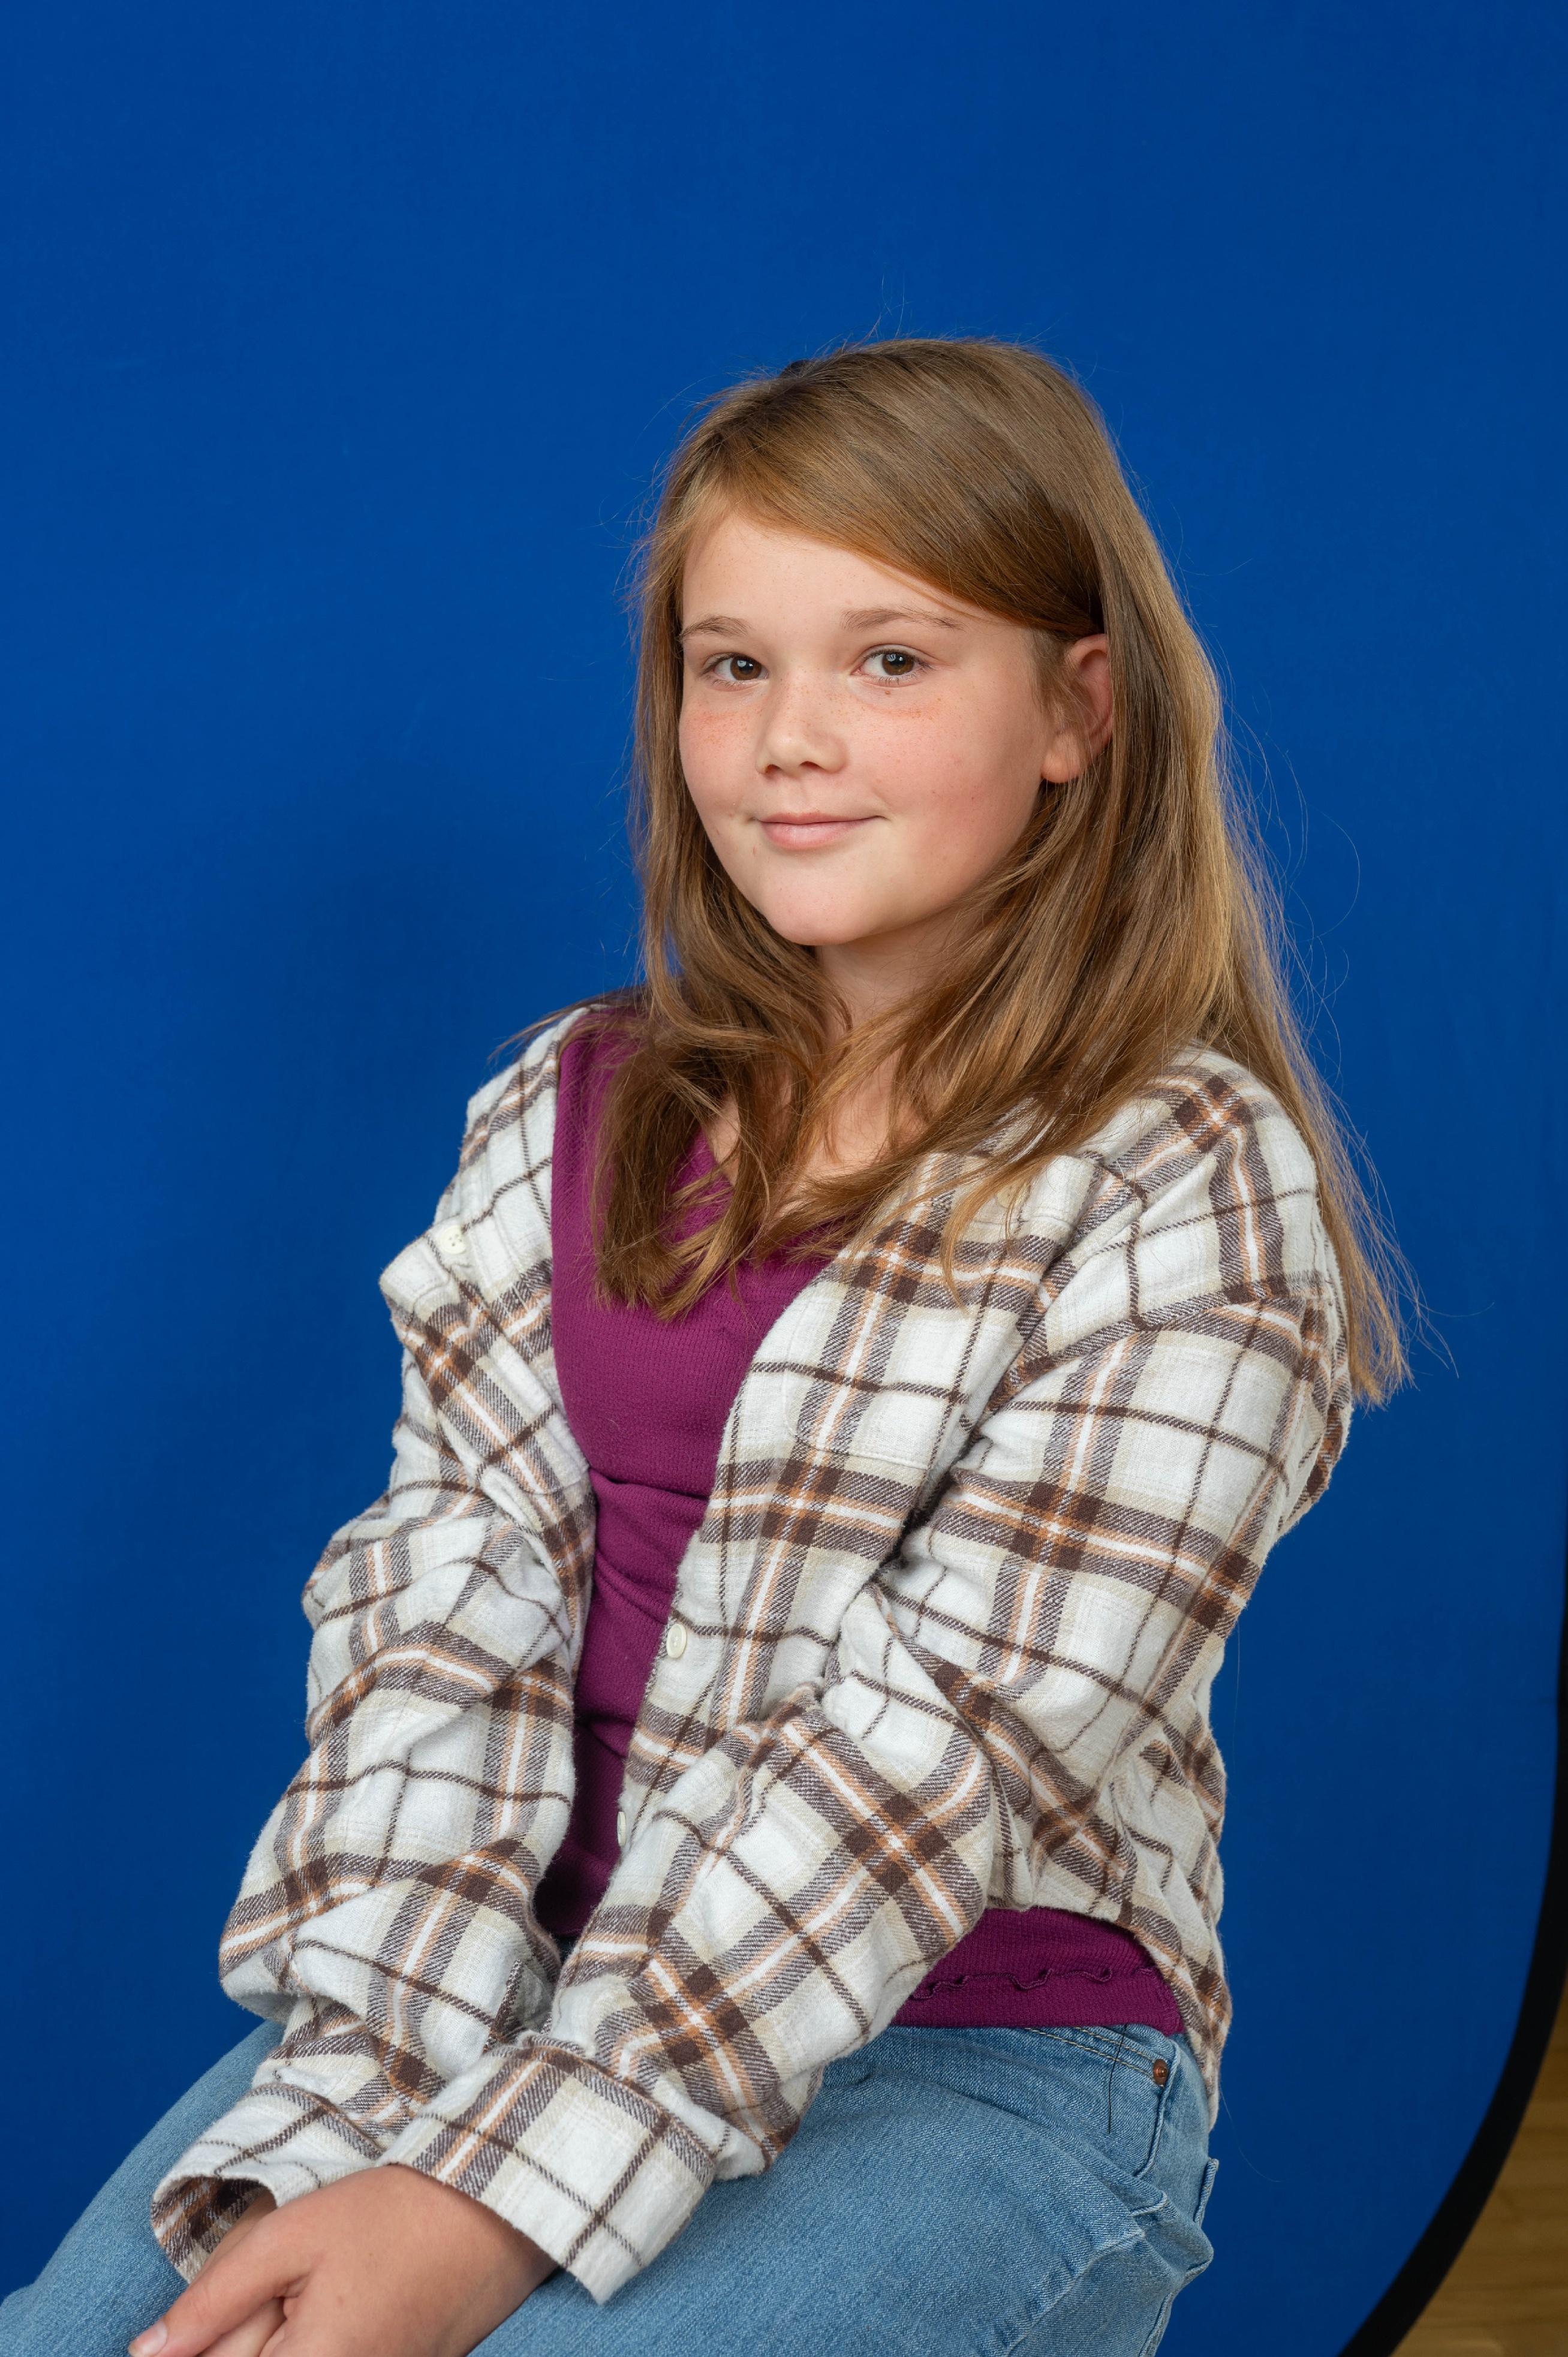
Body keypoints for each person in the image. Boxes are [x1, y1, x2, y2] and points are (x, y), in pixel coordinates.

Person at [2, 337, 1401, 2357]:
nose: (789, 739)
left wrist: (494, 2200)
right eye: (732, 664)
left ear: (1076, 709)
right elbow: (443, 1624)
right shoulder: (567, 1107)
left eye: (891, 660)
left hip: (976, 2050)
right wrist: (369, 2103)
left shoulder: (1187, 1183)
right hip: (513, 1991)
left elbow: (933, 1756)